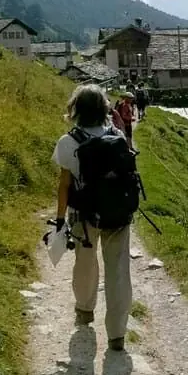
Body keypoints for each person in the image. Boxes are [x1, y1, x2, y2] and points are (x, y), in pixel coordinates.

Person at [52, 84, 137, 352]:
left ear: (75, 109)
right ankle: (117, 335)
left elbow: (64, 185)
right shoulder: (118, 136)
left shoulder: (68, 142)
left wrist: (59, 219)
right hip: (118, 216)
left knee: (85, 265)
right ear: (104, 108)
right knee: (119, 272)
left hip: (85, 217)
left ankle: (85, 310)